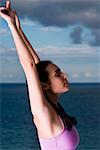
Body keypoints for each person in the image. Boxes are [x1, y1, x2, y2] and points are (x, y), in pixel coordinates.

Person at [0, 1, 80, 149]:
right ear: (44, 84)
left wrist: (19, 29)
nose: (64, 76)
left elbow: (36, 63)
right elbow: (30, 66)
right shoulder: (43, 114)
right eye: (58, 74)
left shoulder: (55, 108)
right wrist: (11, 25)